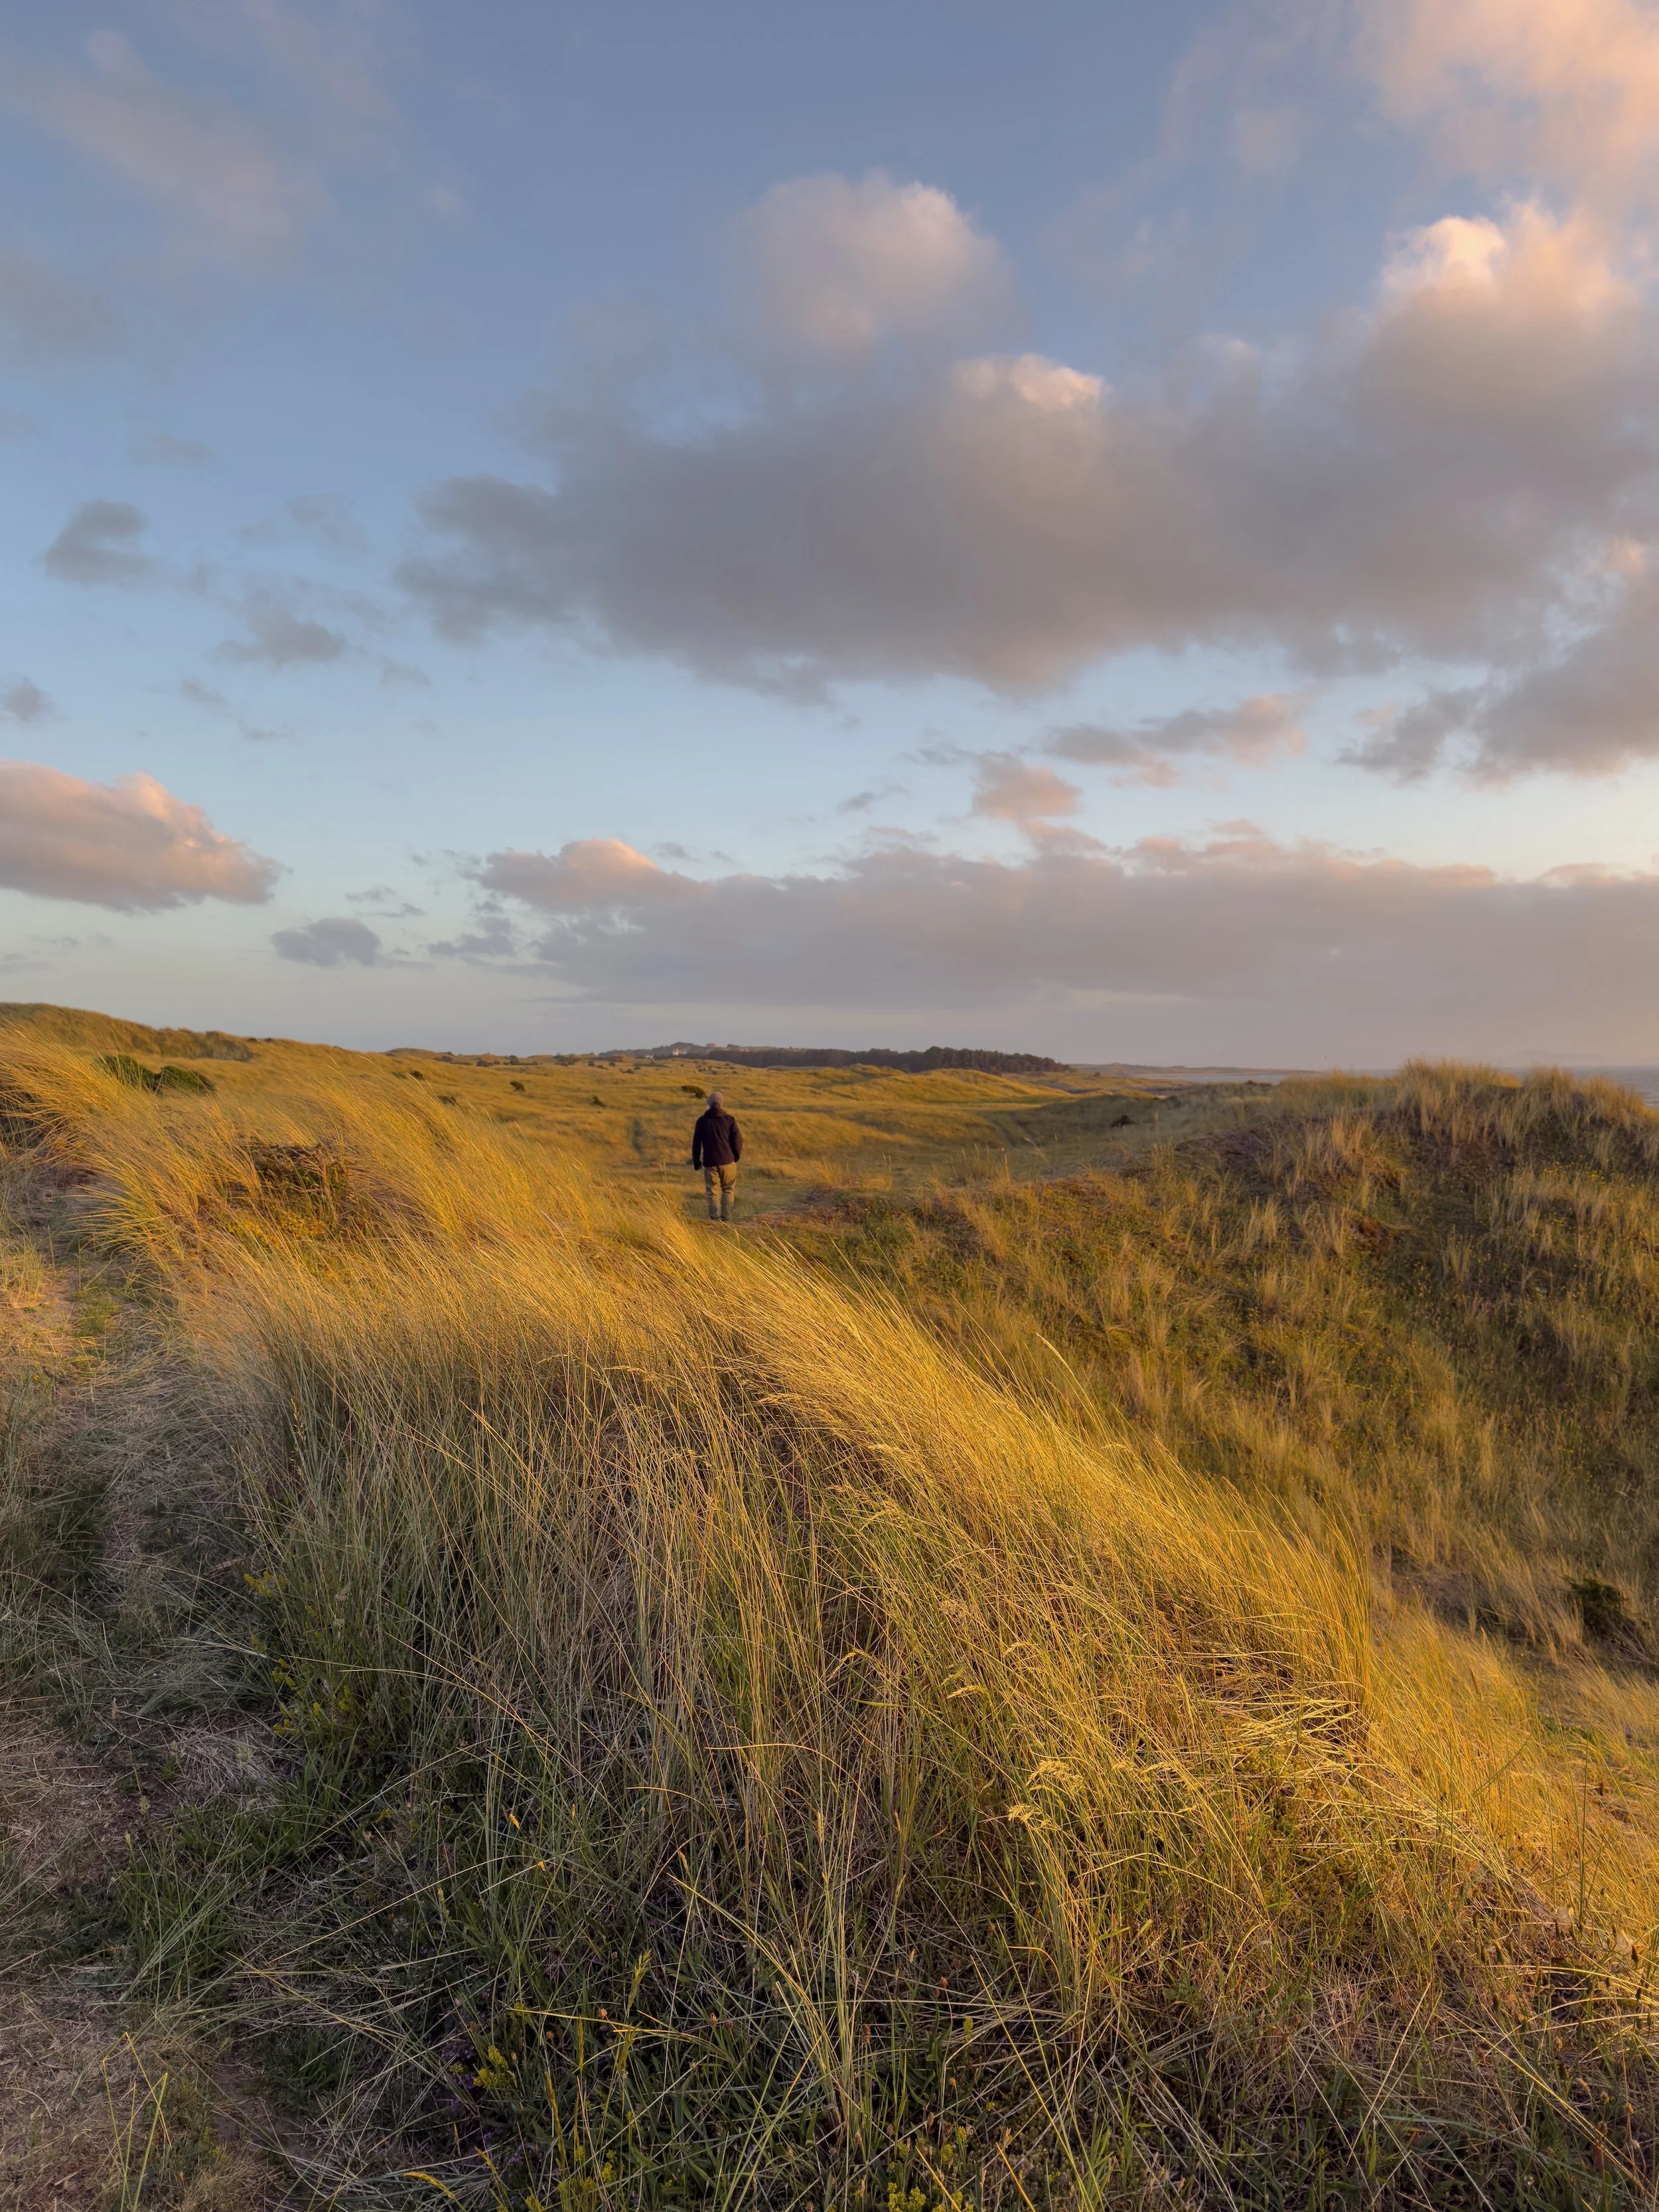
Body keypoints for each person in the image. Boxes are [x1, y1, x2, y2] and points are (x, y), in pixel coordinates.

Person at [691, 1088, 743, 1220]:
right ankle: (726, 1217)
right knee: (728, 1189)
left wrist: (697, 1162)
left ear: (709, 1104)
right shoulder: (729, 1120)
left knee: (712, 1191)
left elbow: (696, 1144)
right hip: (728, 1160)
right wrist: (736, 1156)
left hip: (710, 1162)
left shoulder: (702, 1121)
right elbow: (737, 1140)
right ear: (721, 1104)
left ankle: (714, 1218)